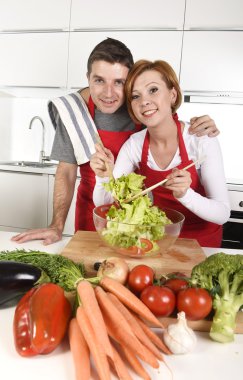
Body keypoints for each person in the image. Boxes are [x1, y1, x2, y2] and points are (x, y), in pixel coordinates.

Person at [12, 38, 220, 246]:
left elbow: (169, 120)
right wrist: (56, 226)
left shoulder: (140, 107)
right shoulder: (72, 111)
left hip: (139, 218)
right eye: (99, 80)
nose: (108, 93)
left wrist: (203, 125)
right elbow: (65, 172)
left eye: (119, 82)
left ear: (129, 82)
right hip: (94, 211)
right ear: (88, 78)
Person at [91, 59, 230, 247]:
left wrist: (185, 195)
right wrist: (103, 176)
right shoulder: (135, 145)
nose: (144, 101)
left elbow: (222, 213)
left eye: (153, 90)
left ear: (172, 95)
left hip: (200, 246)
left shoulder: (201, 139)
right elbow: (105, 203)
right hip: (156, 244)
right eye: (135, 96)